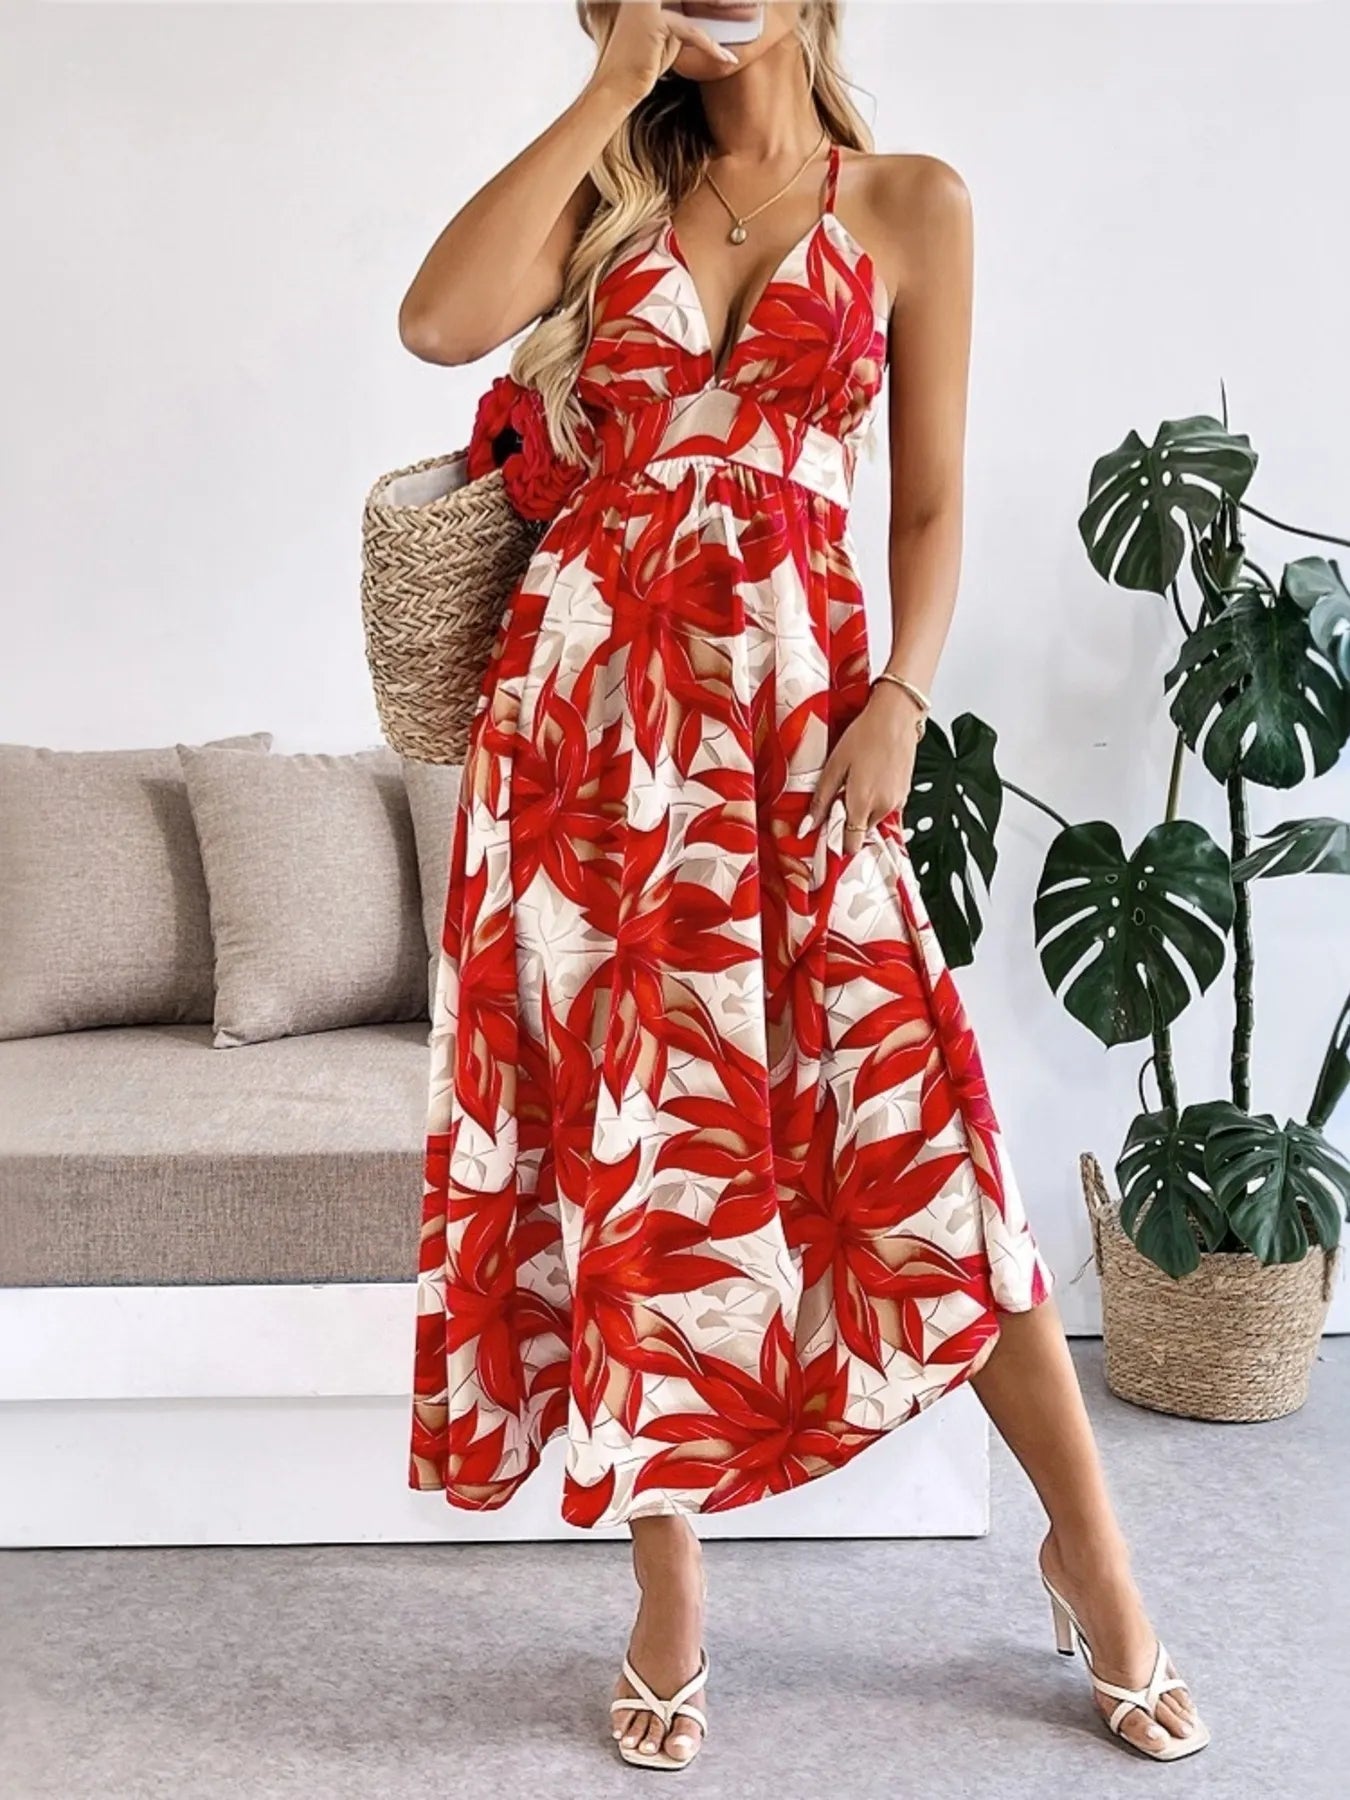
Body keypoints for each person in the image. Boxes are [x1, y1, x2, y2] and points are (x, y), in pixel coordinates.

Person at [398, 0, 1207, 1772]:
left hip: (796, 729)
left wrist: (900, 697)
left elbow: (925, 506)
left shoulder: (910, 202)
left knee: (918, 1146)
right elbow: (438, 323)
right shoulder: (604, 198)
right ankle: (668, 1589)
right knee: (637, 1159)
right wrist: (611, 82)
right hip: (586, 749)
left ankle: (1091, 1554)